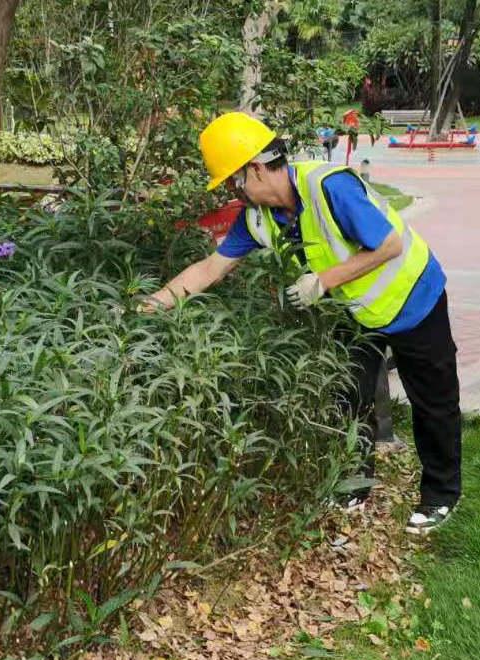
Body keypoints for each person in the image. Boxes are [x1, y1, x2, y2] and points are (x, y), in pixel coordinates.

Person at [141, 112, 461, 535]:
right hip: (353, 313)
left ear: (256, 168)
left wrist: (322, 281)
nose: (235, 192)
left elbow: (388, 244)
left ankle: (440, 496)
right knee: (349, 399)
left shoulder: (329, 187)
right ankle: (352, 485)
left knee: (433, 402)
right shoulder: (256, 217)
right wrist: (146, 307)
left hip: (412, 299)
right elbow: (209, 270)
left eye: (235, 181)